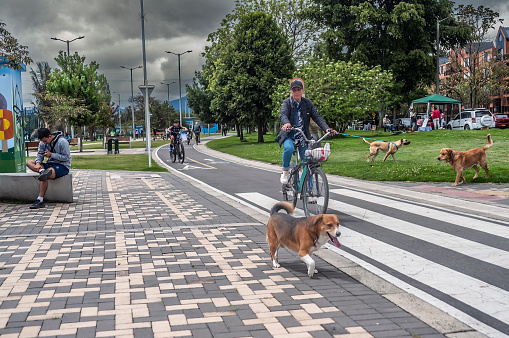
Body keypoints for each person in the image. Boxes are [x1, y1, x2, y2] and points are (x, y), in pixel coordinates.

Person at [276, 78, 337, 184]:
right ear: (291, 92)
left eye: (298, 90)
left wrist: (326, 128)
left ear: (302, 91)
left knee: (307, 164)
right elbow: (283, 114)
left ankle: (310, 193)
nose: (296, 92)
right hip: (289, 135)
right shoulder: (287, 103)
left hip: (303, 136)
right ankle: (285, 171)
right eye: (294, 90)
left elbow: (317, 117)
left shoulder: (307, 103)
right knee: (289, 148)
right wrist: (286, 123)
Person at [26, 128, 71, 209]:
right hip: (49, 164)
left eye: (45, 141)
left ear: (50, 136)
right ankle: (42, 170)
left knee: (45, 175)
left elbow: (66, 158)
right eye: (42, 141)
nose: (44, 143)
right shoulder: (42, 142)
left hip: (62, 166)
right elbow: (39, 155)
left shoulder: (62, 142)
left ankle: (40, 200)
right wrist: (38, 163)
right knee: (29, 162)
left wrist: (51, 155)